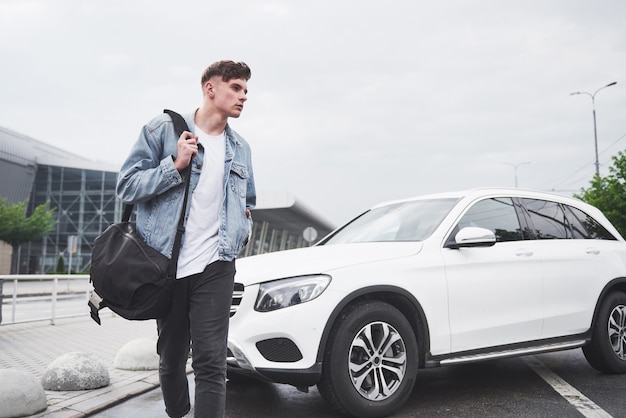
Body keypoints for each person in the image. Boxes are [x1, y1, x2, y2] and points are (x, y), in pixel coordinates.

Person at [116, 60, 256, 418]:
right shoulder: (164, 129)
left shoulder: (241, 149)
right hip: (167, 263)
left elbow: (248, 202)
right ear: (211, 89)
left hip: (217, 265)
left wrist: (242, 227)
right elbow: (127, 186)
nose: (243, 96)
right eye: (236, 87)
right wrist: (174, 165)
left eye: (245, 90)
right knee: (172, 359)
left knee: (211, 361)